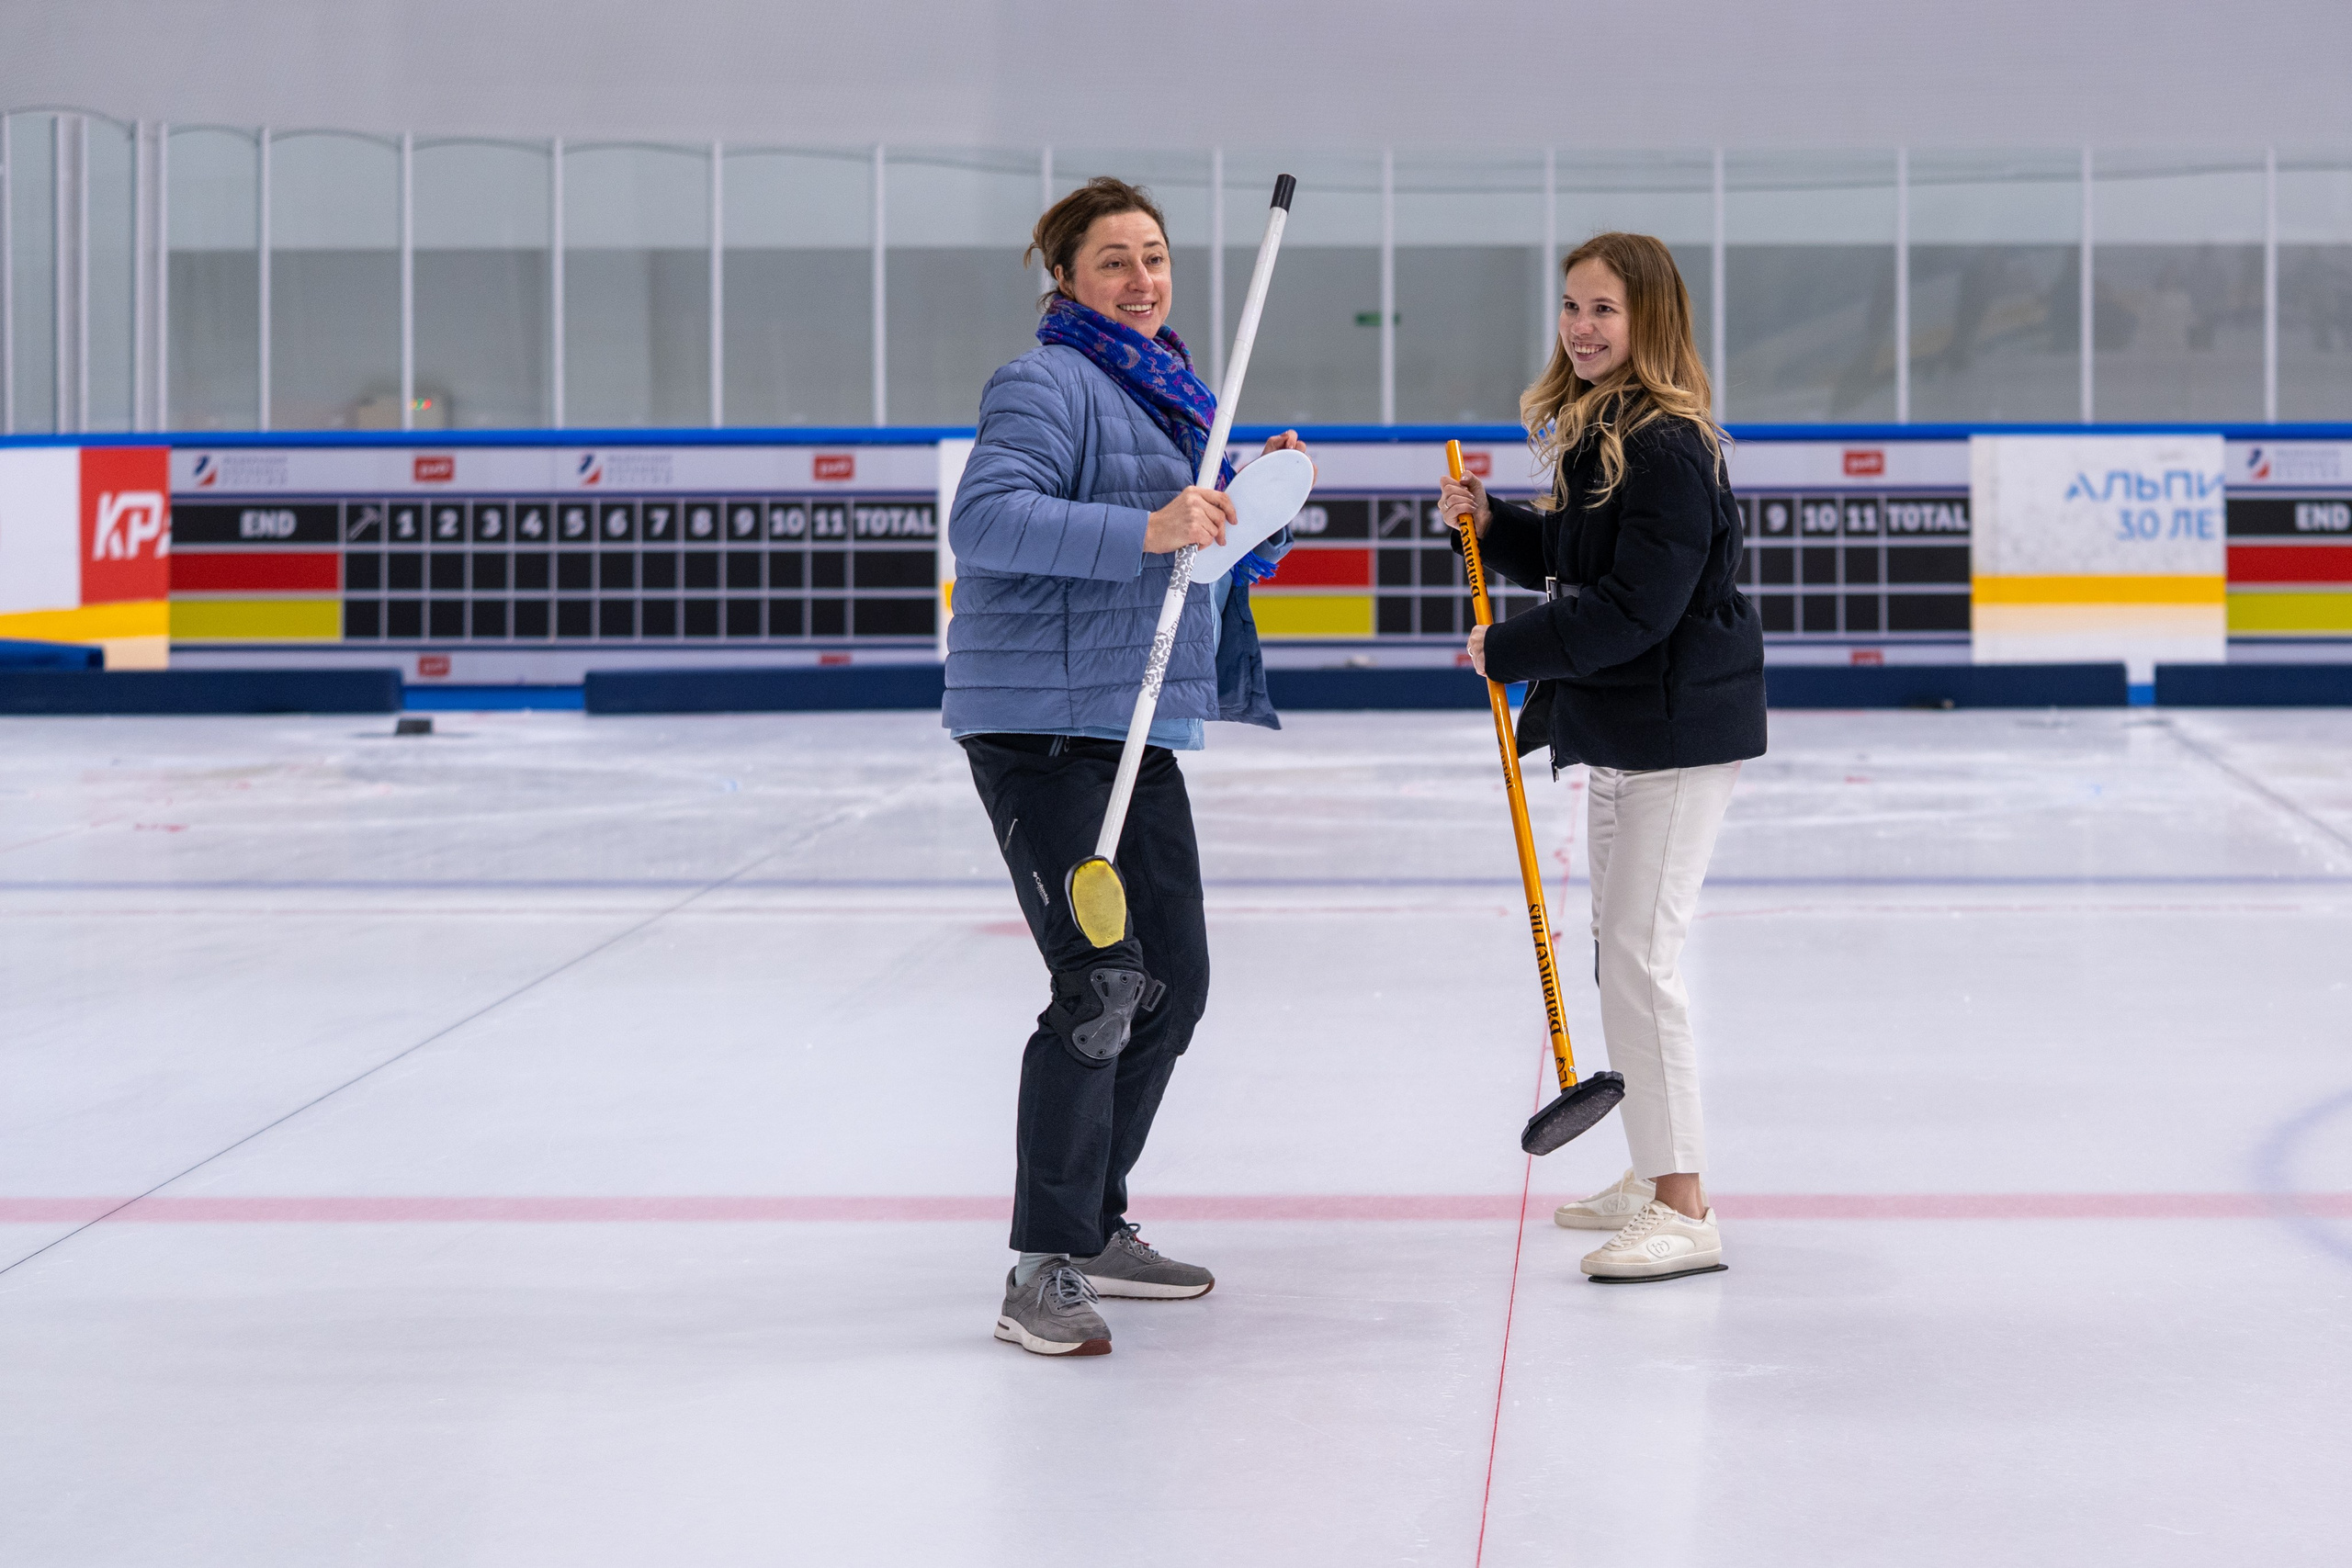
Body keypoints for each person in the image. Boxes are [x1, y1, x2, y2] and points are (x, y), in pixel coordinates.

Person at [946, 176, 1310, 1355]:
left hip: (1128, 728)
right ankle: (1039, 1263)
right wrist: (1148, 529)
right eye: (1114, 262)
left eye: (1153, 257)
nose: (1142, 280)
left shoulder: (1175, 399)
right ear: (1064, 277)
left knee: (1172, 983)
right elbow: (988, 523)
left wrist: (1249, 501)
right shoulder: (1043, 381)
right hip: (1039, 731)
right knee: (1098, 982)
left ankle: (1095, 1219)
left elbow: (1187, 550)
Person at [1440, 231, 1766, 1283]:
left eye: (1604, 311)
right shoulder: (1604, 431)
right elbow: (1578, 556)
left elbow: (1637, 607)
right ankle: (1650, 1168)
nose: (1582, 328)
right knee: (1615, 955)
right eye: (1572, 308)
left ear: (1650, 322)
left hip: (1675, 734)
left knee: (1638, 956)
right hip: (1623, 729)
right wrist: (1490, 527)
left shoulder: (1668, 443)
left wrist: (1513, 650)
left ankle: (1685, 1206)